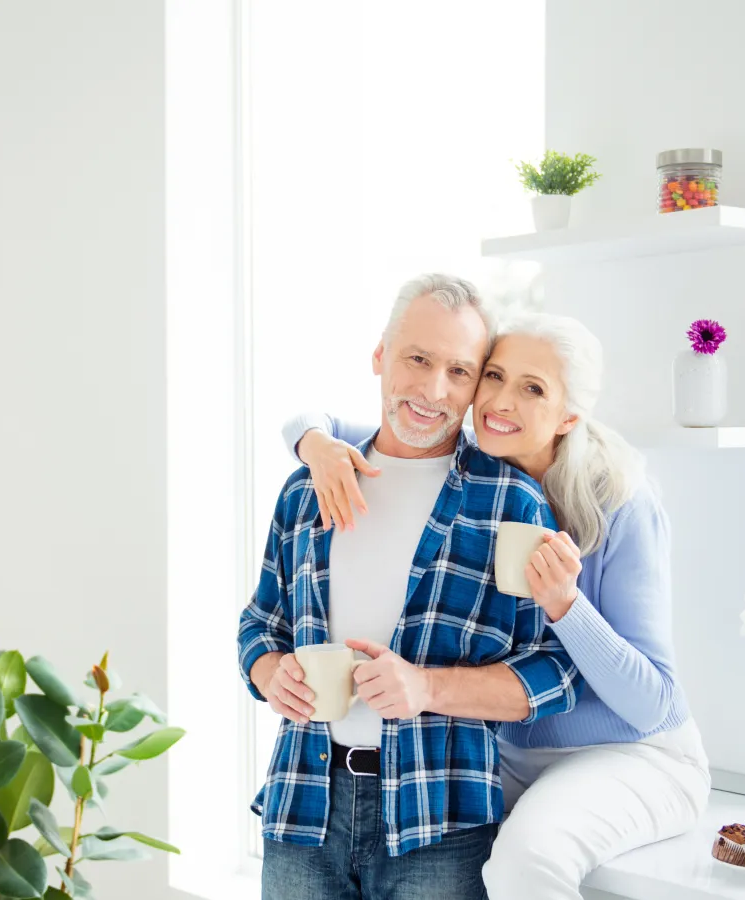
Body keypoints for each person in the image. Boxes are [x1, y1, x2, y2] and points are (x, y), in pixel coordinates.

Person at [283, 307, 710, 900]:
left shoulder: (620, 503)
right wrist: (314, 446)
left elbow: (653, 704)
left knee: (522, 861)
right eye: (493, 376)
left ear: (568, 417)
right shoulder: (475, 476)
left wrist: (565, 605)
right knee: (427, 828)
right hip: (510, 749)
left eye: (532, 388)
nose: (500, 401)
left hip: (631, 753)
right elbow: (332, 424)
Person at [237, 274, 578, 900]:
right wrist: (268, 671)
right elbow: (259, 622)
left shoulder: (512, 505)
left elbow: (555, 672)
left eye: (458, 370)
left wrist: (425, 687)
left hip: (440, 822)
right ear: (380, 356)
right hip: (303, 810)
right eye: (417, 359)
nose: (433, 389)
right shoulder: (307, 487)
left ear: (477, 385)